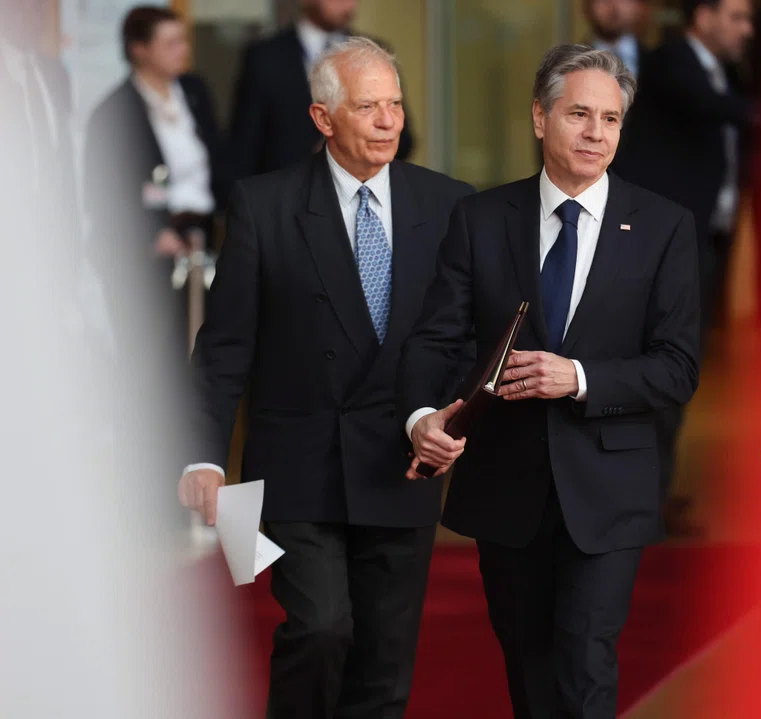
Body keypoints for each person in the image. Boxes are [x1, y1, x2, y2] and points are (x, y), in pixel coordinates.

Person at [399, 45, 700, 718]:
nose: (597, 133)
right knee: (530, 667)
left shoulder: (662, 228)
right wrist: (423, 417)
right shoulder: (479, 219)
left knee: (586, 658)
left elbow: (678, 366)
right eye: (580, 114)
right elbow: (437, 338)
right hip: (508, 487)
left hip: (609, 487)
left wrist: (580, 376)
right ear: (540, 118)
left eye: (612, 119)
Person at [178, 37, 472, 719]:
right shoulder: (265, 205)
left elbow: (463, 336)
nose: (387, 120)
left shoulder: (449, 203)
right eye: (367, 106)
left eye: (394, 104)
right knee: (318, 625)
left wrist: (445, 417)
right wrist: (202, 455)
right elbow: (224, 347)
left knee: (383, 658)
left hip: (404, 460)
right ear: (322, 117)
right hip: (297, 464)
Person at [615, 0, 761, 535]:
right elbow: (712, 107)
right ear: (702, 17)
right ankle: (638, 507)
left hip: (704, 244)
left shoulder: (724, 73)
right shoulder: (671, 63)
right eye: (736, 17)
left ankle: (654, 500)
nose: (746, 30)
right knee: (659, 373)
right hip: (665, 251)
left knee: (677, 374)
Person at [85, 5, 226, 353]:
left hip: (204, 240)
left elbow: (220, 159)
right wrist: (153, 232)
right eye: (171, 43)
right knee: (160, 355)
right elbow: (104, 193)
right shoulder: (113, 112)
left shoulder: (193, 91)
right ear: (139, 49)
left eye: (183, 41)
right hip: (151, 251)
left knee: (209, 349)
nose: (183, 50)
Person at [230, 0, 414, 180]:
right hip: (285, 197)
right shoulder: (265, 58)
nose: (349, 5)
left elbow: (403, 140)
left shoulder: (375, 53)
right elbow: (244, 147)